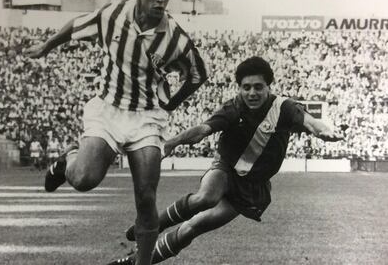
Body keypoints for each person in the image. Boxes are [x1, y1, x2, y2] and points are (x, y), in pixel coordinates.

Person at [25, 0, 208, 265]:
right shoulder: (113, 13)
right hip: (108, 108)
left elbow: (198, 75)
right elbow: (76, 26)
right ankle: (67, 159)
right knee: (83, 179)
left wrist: (172, 104)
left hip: (147, 118)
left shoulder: (175, 37)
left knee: (146, 196)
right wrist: (47, 45)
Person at [108, 56, 344, 264]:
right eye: (246, 87)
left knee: (193, 228)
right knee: (205, 197)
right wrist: (172, 143)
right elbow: (203, 129)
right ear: (239, 88)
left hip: (252, 188)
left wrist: (322, 131)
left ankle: (135, 262)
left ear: (269, 87)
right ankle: (151, 225)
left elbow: (310, 121)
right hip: (226, 168)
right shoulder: (233, 108)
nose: (252, 93)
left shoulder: (284, 107)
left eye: (258, 87)